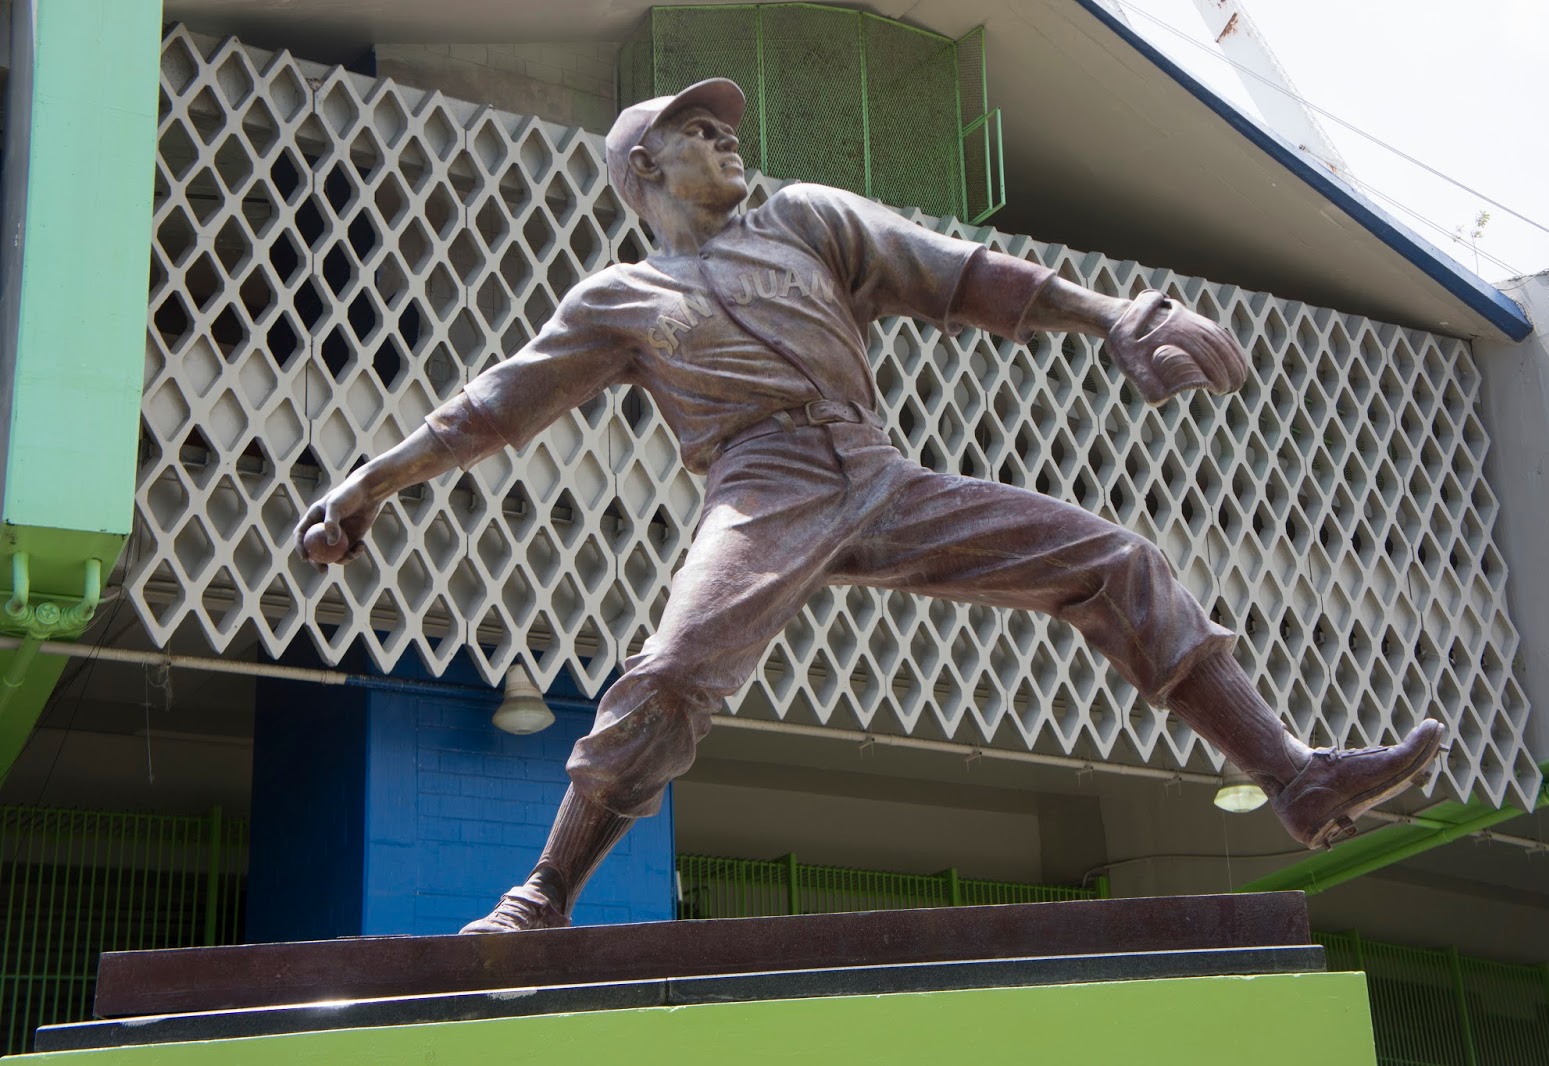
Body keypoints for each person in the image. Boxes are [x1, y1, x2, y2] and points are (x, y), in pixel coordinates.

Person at [295, 78, 1443, 933]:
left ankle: (1294, 777)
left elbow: (963, 276)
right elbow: (491, 410)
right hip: (763, 485)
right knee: (674, 673)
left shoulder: (805, 220)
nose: (723, 136)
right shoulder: (622, 298)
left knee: (1116, 559)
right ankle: (543, 896)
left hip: (879, 475)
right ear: (641, 167)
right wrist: (366, 483)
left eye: (719, 124)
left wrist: (1114, 318)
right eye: (695, 131)